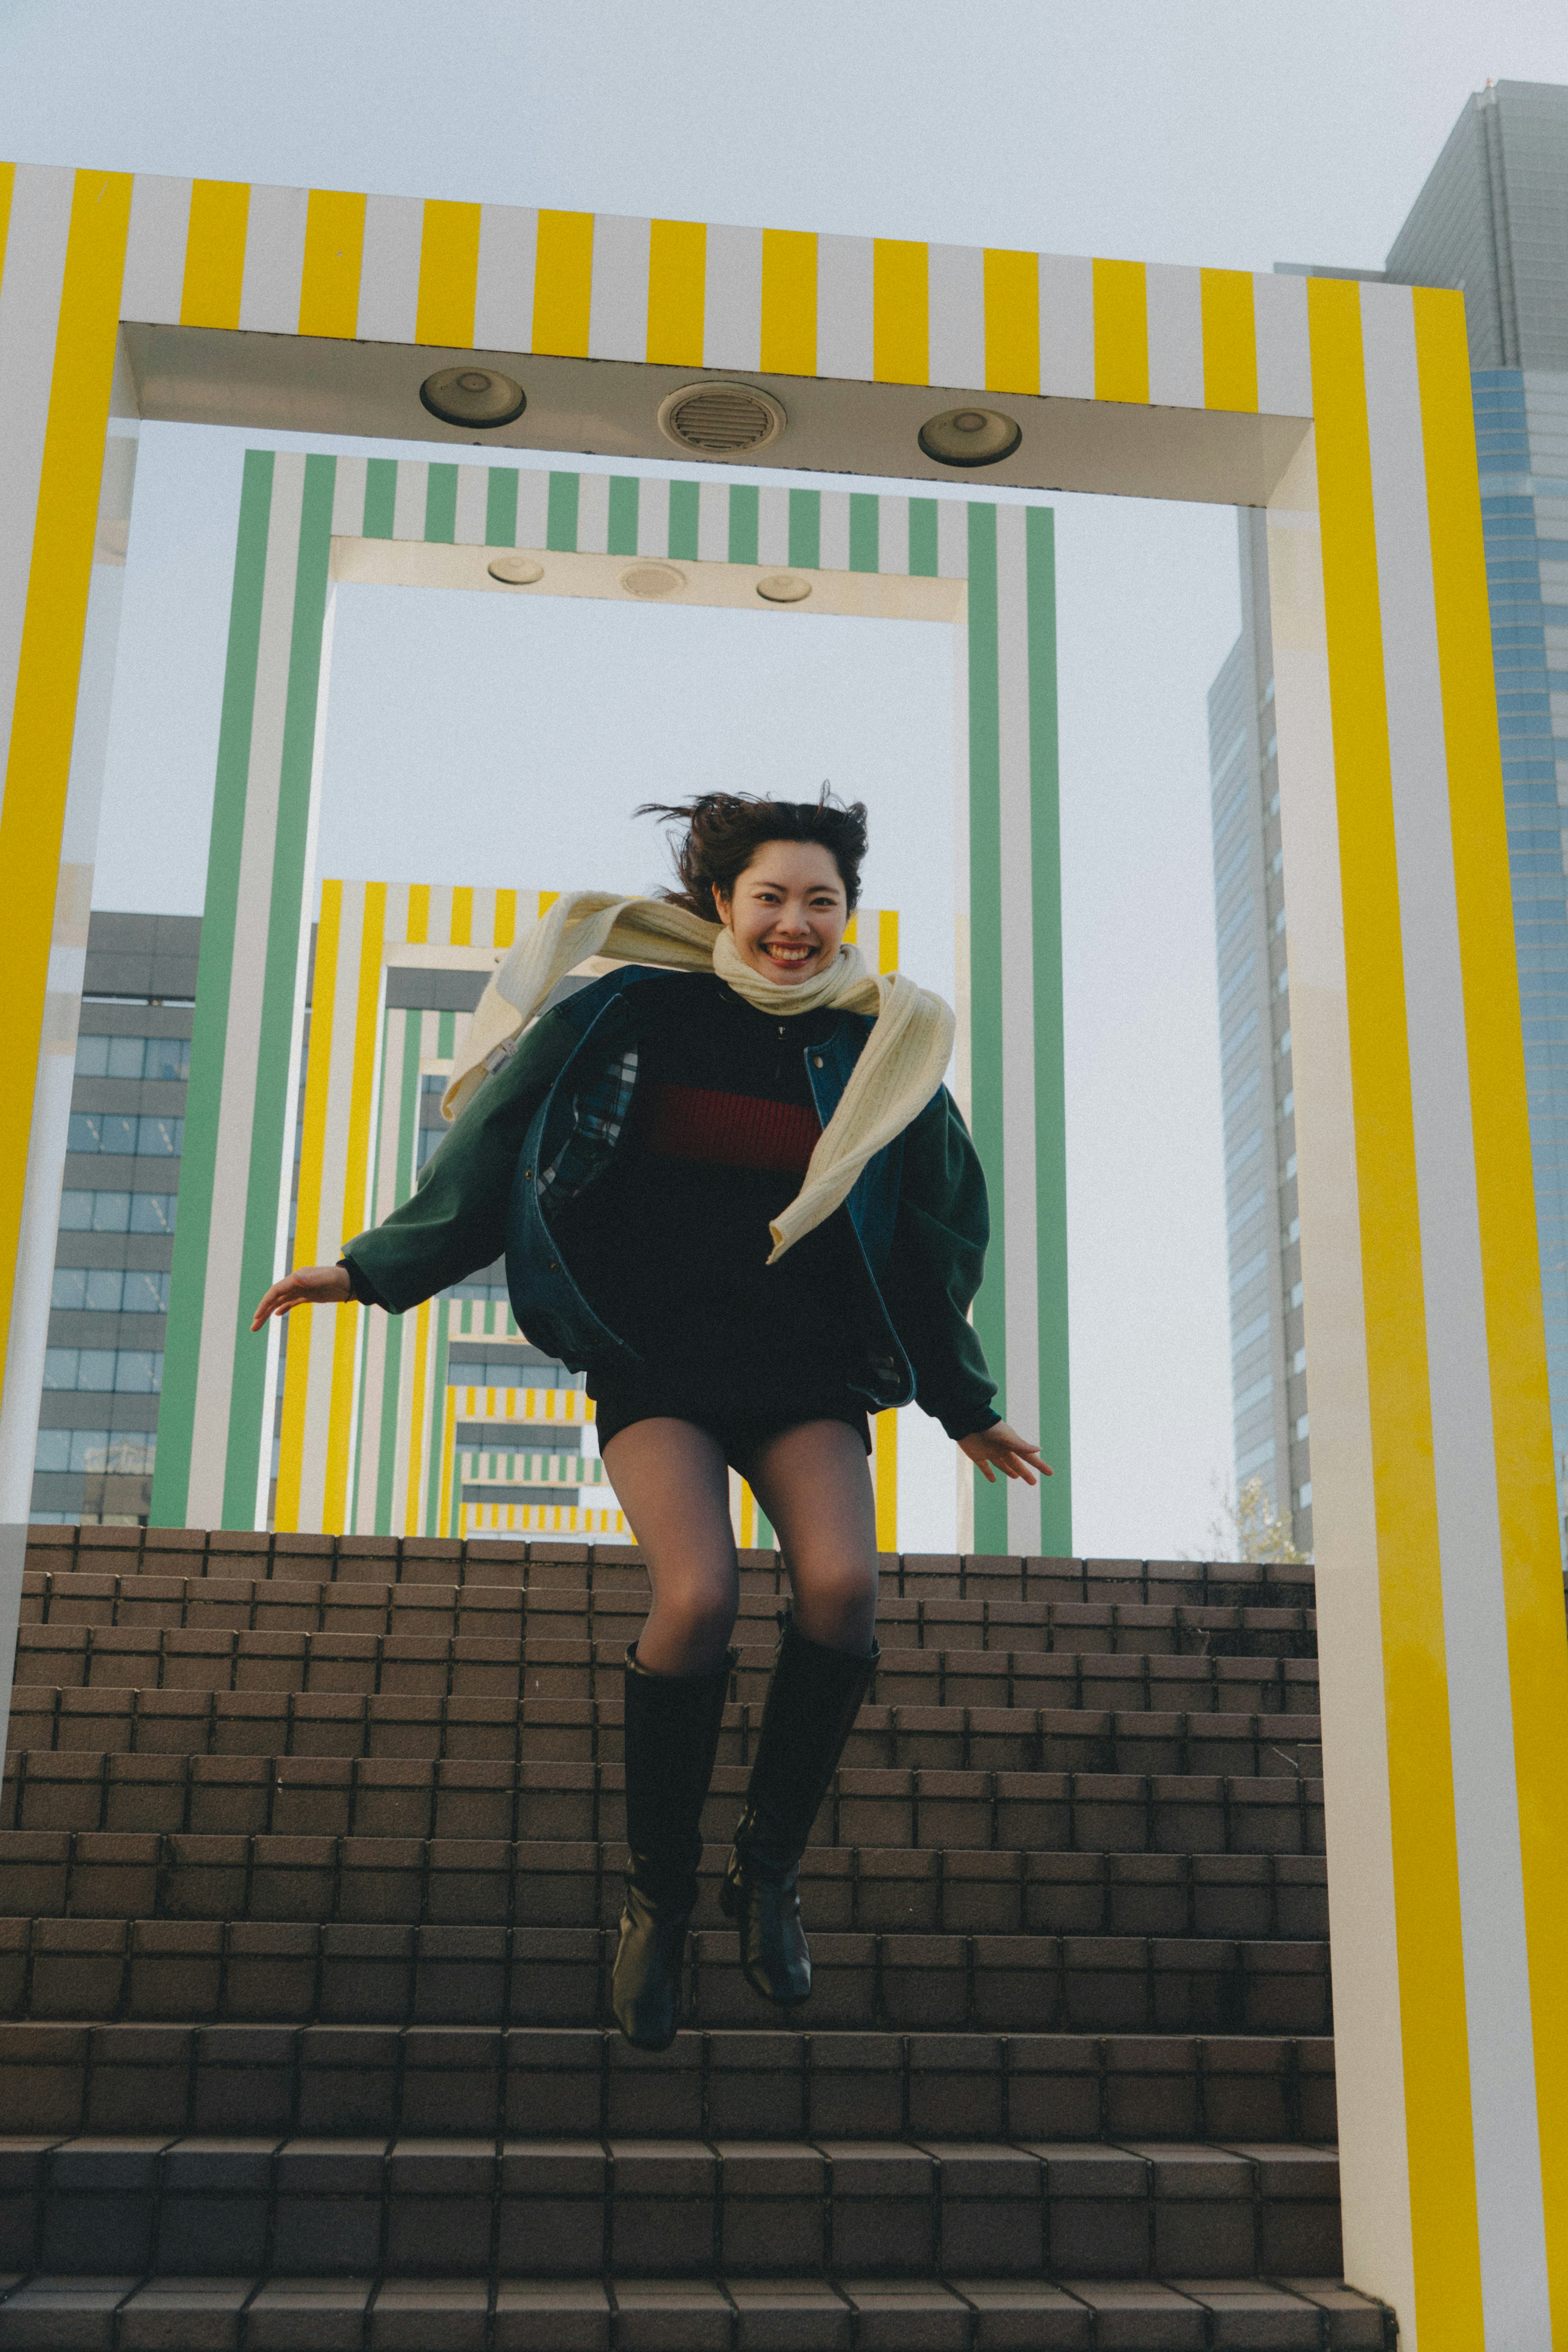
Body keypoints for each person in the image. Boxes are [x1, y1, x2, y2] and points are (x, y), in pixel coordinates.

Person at [252, 792, 1047, 2052]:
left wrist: (966, 1404)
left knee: (843, 1588)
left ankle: (766, 1871)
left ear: (851, 913)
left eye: (822, 901)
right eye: (773, 898)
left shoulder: (881, 1047)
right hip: (655, 1359)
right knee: (699, 1597)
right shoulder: (627, 1010)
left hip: (805, 1368)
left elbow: (923, 1245)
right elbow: (494, 1155)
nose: (796, 924)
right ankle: (659, 1898)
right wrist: (370, 1269)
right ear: (723, 903)